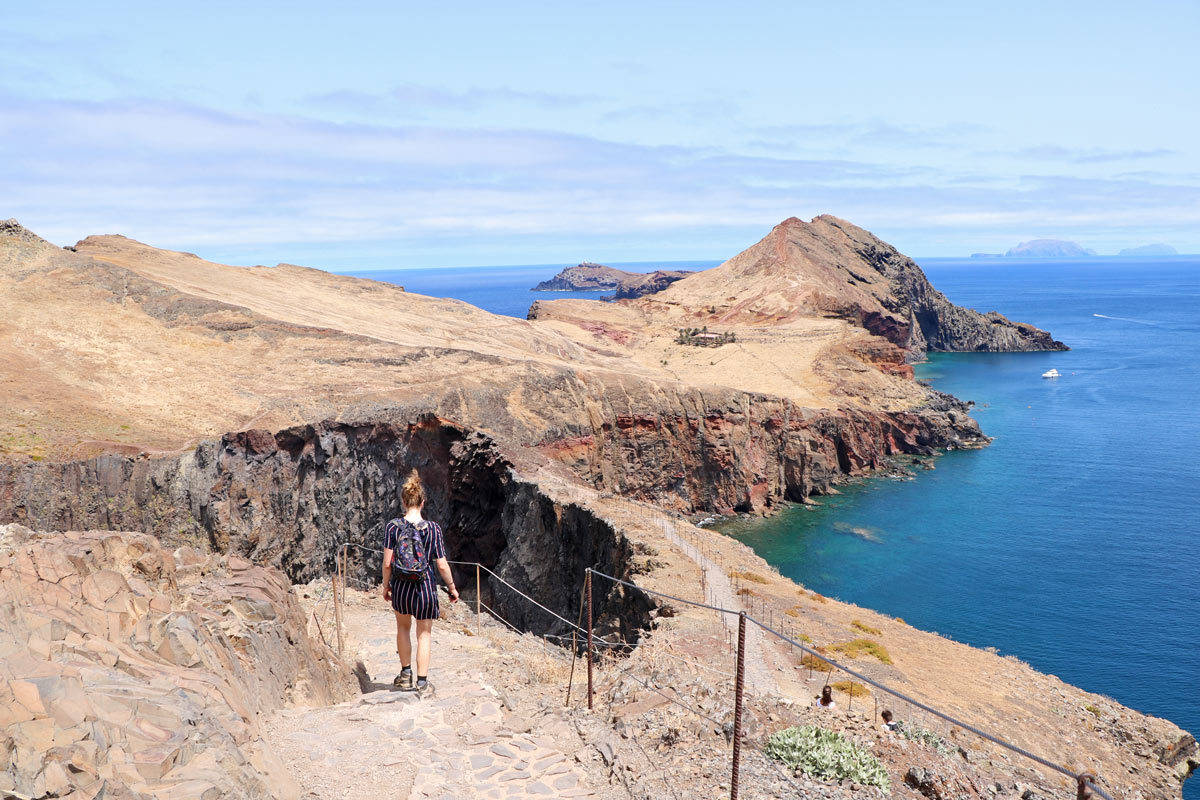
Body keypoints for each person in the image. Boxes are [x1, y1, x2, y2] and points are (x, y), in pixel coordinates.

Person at [382, 469, 459, 692]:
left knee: (403, 629)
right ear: (422, 502)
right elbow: (442, 564)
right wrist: (452, 588)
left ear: (403, 501)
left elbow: (387, 563)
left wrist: (386, 587)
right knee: (424, 634)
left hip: (401, 587)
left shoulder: (393, 527)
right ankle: (422, 682)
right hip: (424, 587)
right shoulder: (433, 529)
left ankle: (406, 674)